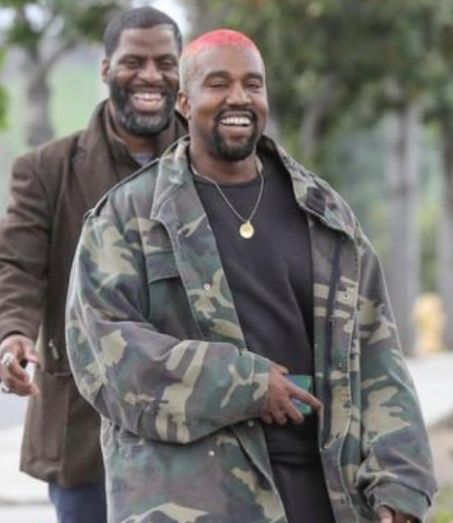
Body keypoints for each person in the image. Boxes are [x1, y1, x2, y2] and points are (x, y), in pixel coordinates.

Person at [65, 29, 437, 523]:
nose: (238, 97)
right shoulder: (127, 217)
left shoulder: (325, 214)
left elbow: (375, 353)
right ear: (184, 102)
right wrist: (245, 383)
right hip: (196, 502)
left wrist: (401, 482)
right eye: (218, 83)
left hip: (327, 495)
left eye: (252, 84)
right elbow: (104, 354)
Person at [0, 6, 186, 523]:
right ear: (105, 69)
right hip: (84, 430)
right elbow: (17, 264)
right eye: (134, 62)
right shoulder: (46, 169)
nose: (150, 75)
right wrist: (13, 334)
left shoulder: (211, 161)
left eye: (165, 63)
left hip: (192, 421)